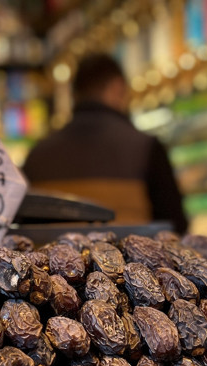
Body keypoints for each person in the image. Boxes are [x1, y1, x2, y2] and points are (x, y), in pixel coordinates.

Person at [22, 54, 188, 233]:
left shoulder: (36, 154)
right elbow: (175, 227)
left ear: (74, 95)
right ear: (116, 87)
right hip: (128, 259)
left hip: (51, 259)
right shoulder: (146, 148)